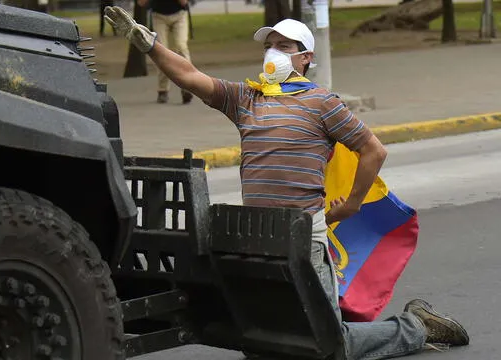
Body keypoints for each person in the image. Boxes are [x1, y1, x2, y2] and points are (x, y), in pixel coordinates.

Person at [103, 6, 470, 359]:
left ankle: (415, 326)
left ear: (305, 58)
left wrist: (354, 203)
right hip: (256, 236)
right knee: (262, 340)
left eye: (283, 46)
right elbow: (189, 75)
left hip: (304, 236)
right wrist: (148, 43)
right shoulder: (246, 97)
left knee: (331, 344)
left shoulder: (322, 103)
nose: (272, 53)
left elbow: (373, 151)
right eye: (268, 45)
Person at [136, 0, 193, 104]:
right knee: (161, 51)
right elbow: (141, 3)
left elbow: (184, 2)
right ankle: (163, 90)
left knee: (181, 47)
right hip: (158, 16)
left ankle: (187, 88)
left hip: (179, 15)